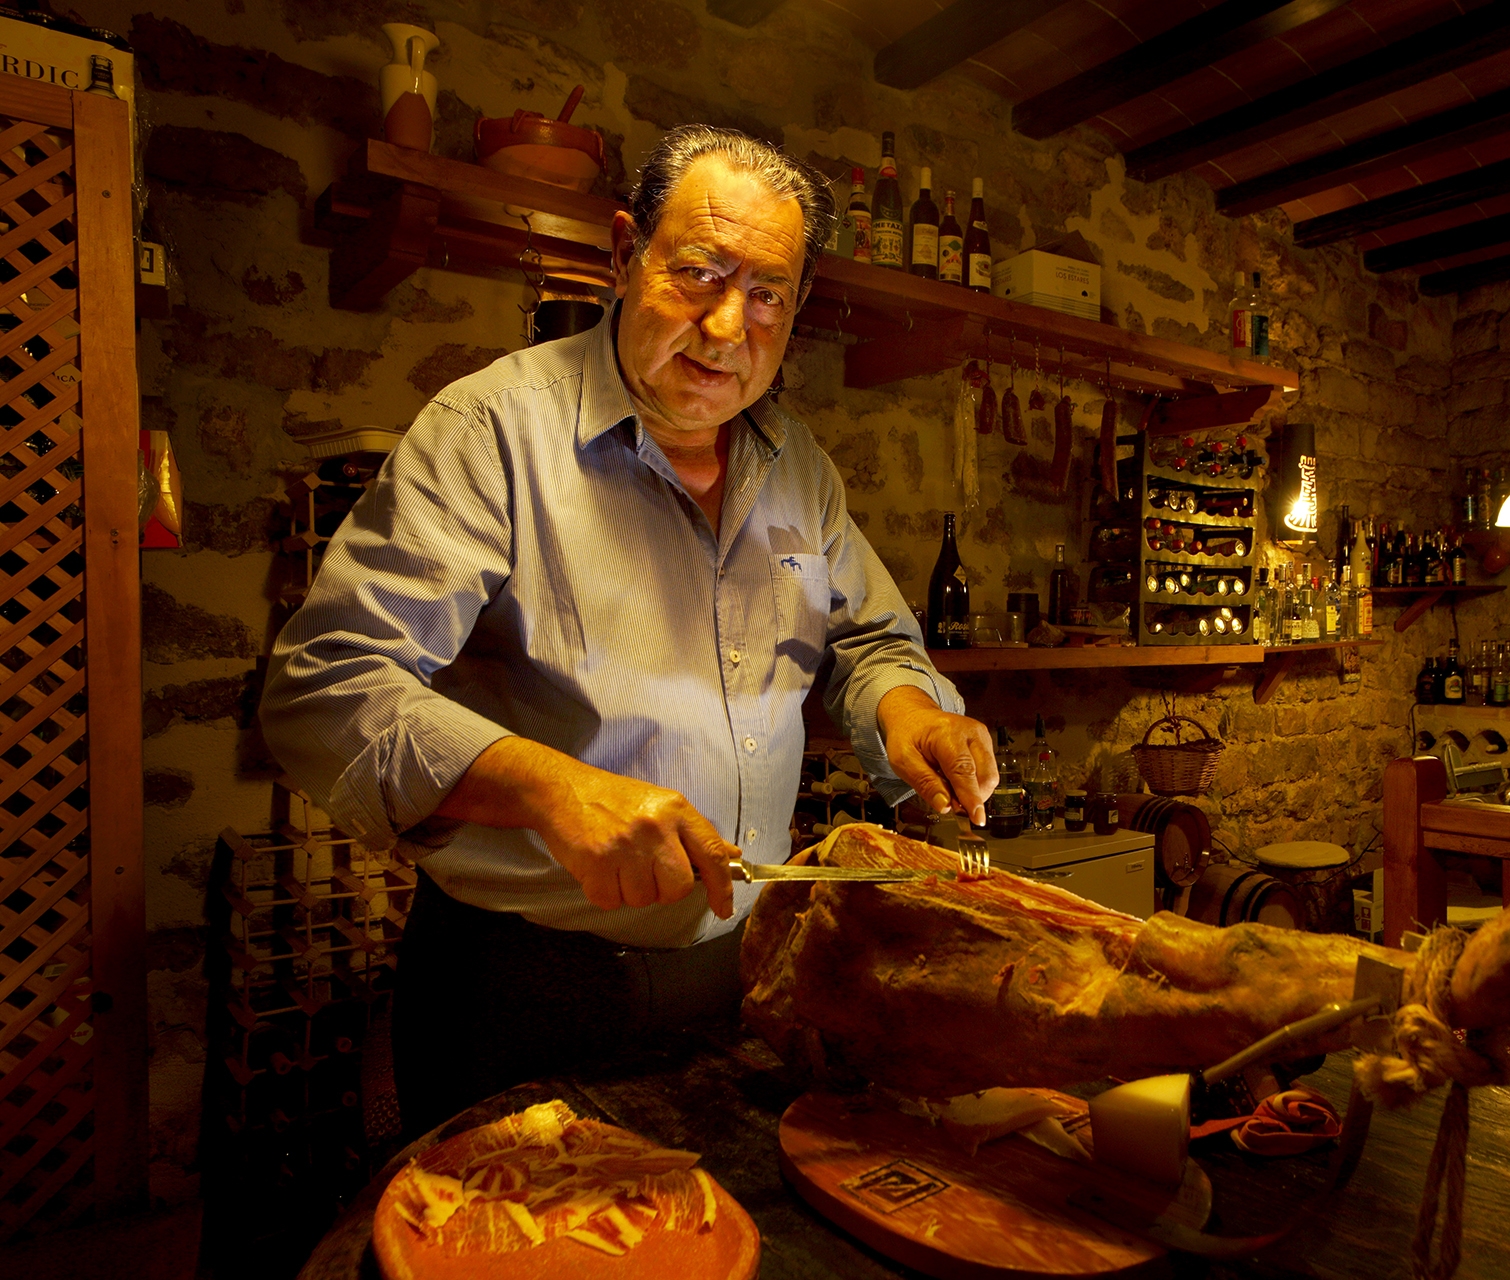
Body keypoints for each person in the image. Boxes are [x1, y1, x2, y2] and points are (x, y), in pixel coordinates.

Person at [261, 124, 997, 1133]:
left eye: (769, 293)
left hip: (743, 971)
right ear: (622, 253)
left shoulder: (797, 464)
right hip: (527, 983)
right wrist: (552, 788)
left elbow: (867, 640)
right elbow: (325, 687)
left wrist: (910, 710)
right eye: (697, 272)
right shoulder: (494, 432)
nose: (729, 325)